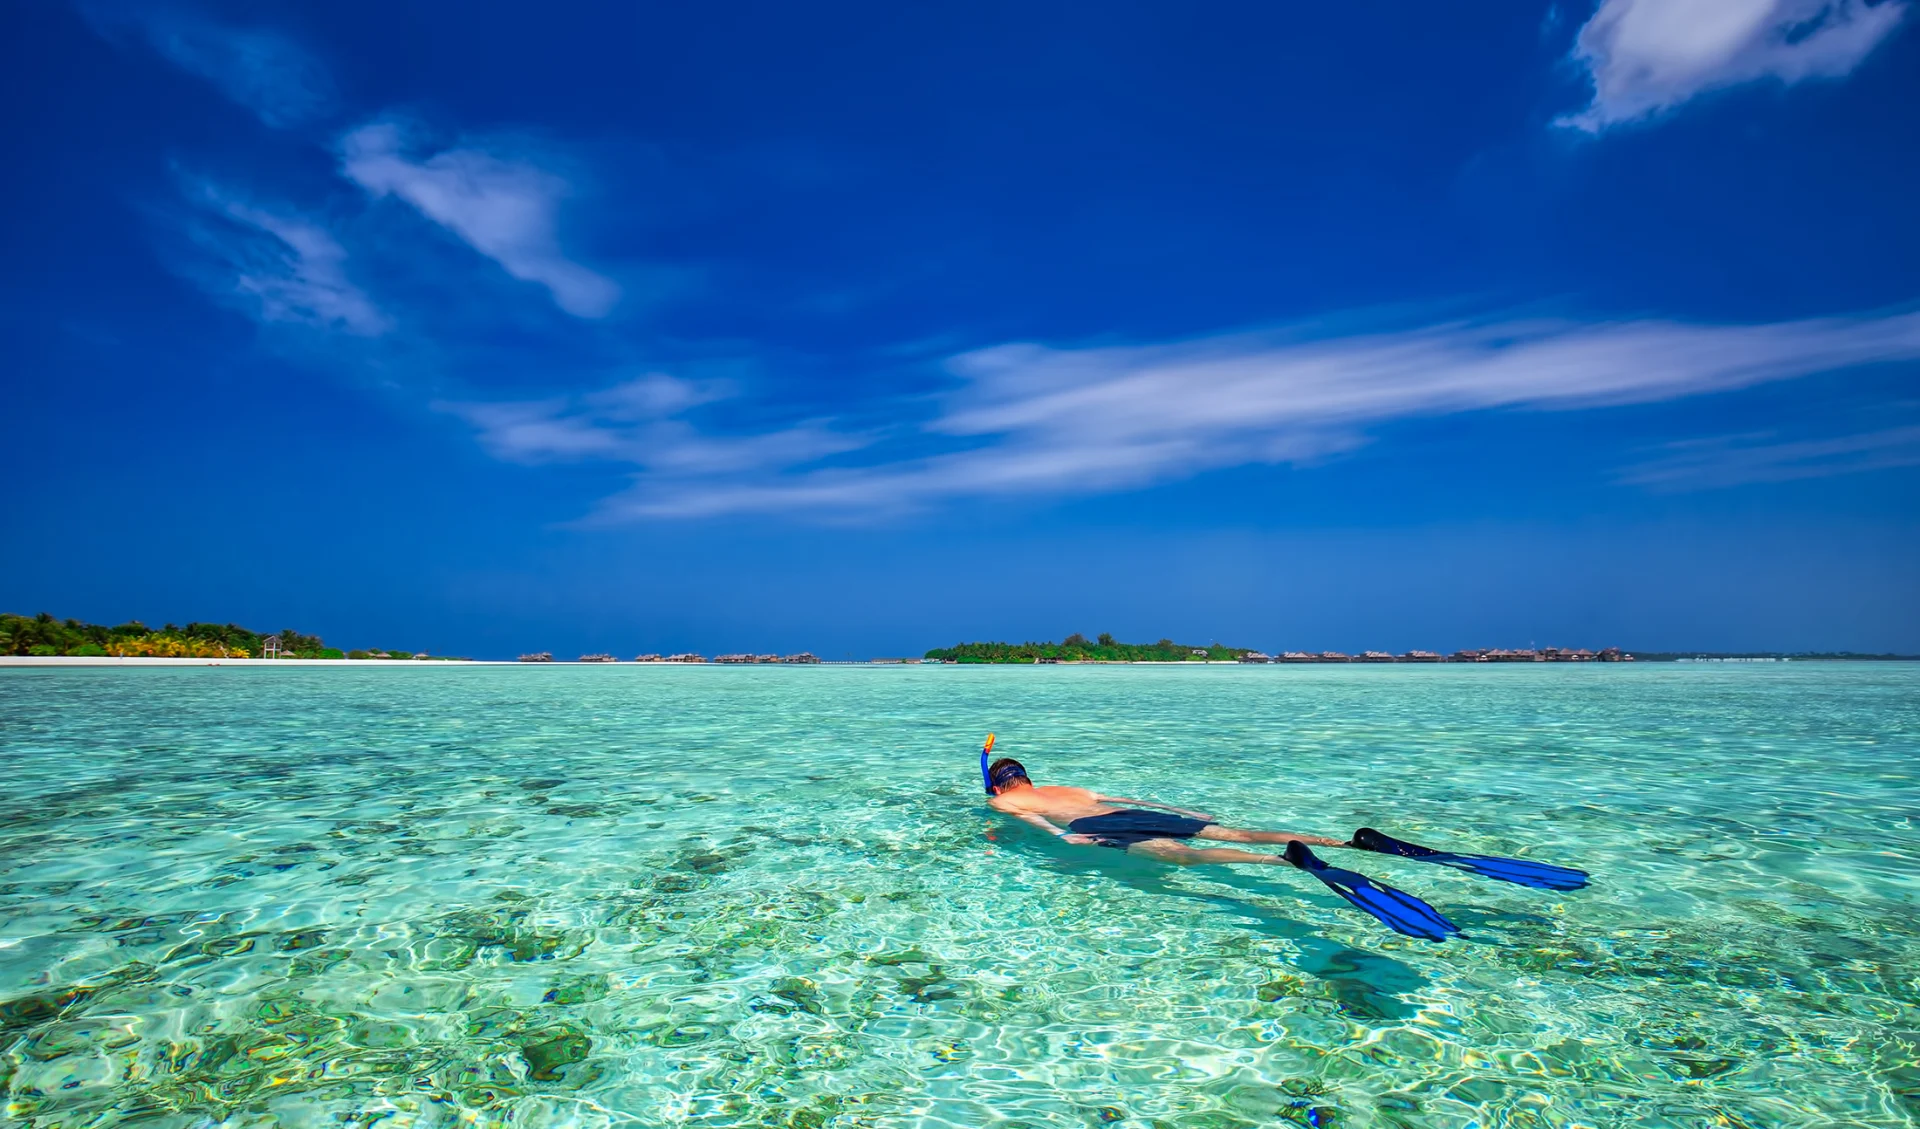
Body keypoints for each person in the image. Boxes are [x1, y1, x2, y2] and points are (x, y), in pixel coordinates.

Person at [984, 755, 1344, 867]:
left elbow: (1028, 816)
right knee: (1240, 833)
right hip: (1123, 812)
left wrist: (1061, 835)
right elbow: (1137, 801)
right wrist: (1180, 810)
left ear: (999, 785)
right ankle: (1338, 843)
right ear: (1029, 777)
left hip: (1092, 825)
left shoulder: (1001, 800)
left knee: (1185, 857)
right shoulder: (1069, 788)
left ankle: (1281, 861)